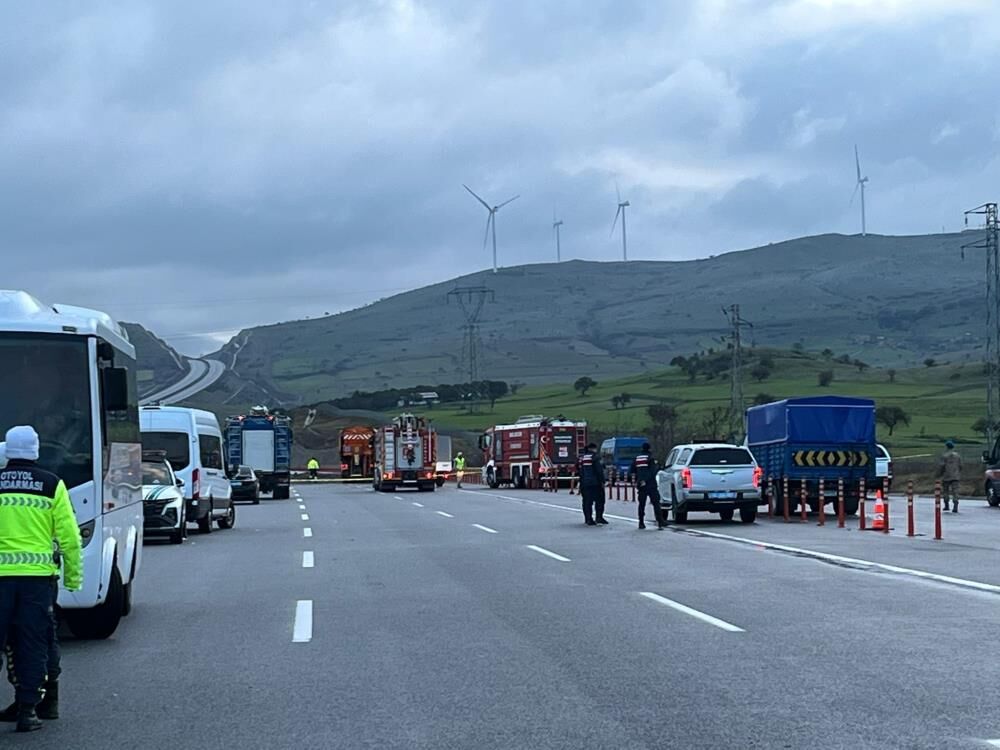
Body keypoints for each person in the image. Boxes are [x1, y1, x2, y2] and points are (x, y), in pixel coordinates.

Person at [0, 426, 82, 733]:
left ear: (8, 451)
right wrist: (73, 578)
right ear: (36, 451)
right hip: (37, 581)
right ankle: (29, 711)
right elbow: (70, 537)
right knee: (34, 643)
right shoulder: (51, 484)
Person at [629, 443, 665, 530]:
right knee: (656, 503)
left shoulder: (637, 458)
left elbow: (631, 470)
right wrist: (646, 480)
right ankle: (660, 522)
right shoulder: (650, 458)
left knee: (641, 504)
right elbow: (653, 471)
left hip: (641, 485)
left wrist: (640, 480)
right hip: (651, 484)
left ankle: (641, 522)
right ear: (649, 449)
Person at [577, 443, 607, 526]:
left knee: (587, 501)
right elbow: (599, 471)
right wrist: (603, 481)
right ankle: (599, 517)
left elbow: (579, 469)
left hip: (584, 483)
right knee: (600, 500)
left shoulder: (581, 458)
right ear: (594, 449)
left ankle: (588, 519)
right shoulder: (595, 457)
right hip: (595, 483)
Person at [937, 440, 962, 513]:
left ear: (946, 447)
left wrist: (939, 474)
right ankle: (955, 506)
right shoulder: (957, 456)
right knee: (955, 491)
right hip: (955, 476)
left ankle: (947, 505)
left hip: (946, 476)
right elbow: (960, 466)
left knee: (945, 491)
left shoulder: (944, 456)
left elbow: (942, 466)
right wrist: (957, 472)